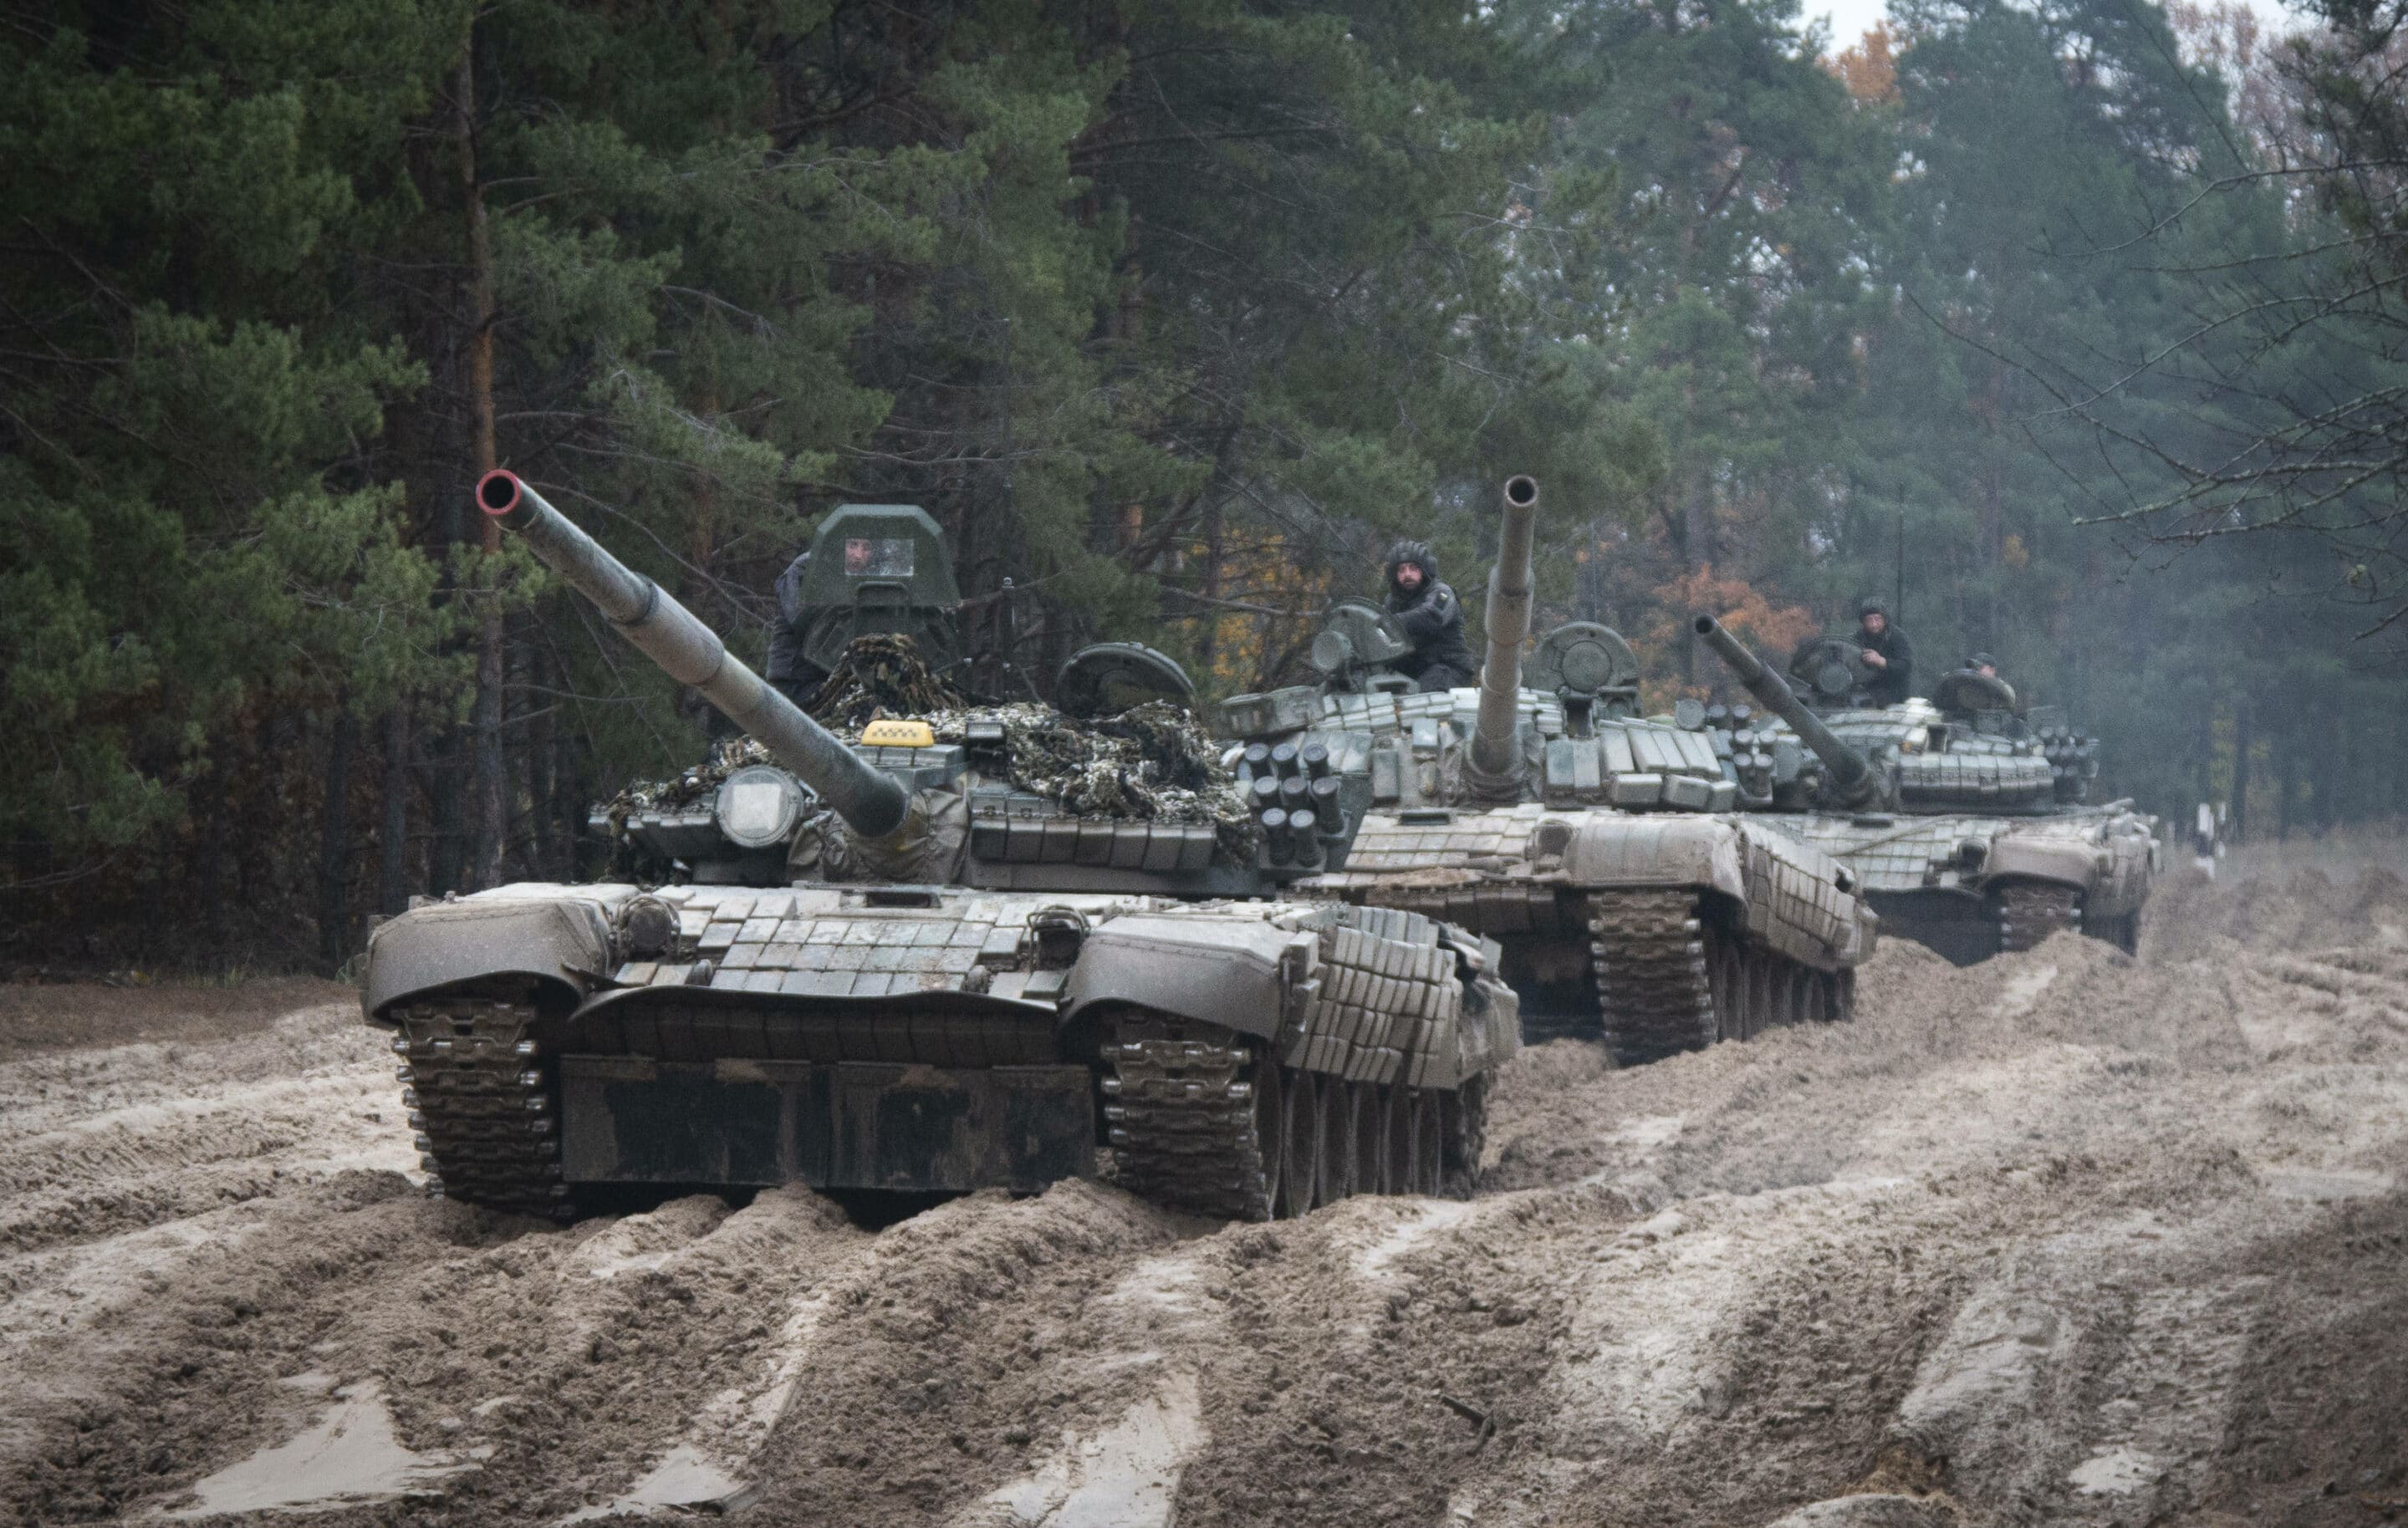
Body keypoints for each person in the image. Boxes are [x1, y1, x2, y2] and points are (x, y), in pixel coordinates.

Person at [1383, 539, 1476, 692]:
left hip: (1448, 668)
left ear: (1424, 570)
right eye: (1401, 570)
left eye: (1413, 568)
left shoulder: (1441, 593)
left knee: (1424, 693)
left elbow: (1432, 617)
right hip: (1412, 670)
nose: (1407, 574)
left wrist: (1390, 622)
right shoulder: (1393, 602)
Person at [765, 550, 828, 709]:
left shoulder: (872, 574)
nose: (859, 555)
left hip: (833, 680)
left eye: (866, 548)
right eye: (853, 545)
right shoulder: (808, 566)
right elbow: (804, 621)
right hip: (797, 680)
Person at [1854, 598, 1915, 706]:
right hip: (1866, 689)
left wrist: (1882, 661)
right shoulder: (1859, 638)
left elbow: (1906, 666)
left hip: (1894, 692)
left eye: (1877, 619)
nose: (1874, 624)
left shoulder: (1897, 637)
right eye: (1869, 620)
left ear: (1885, 620)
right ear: (1863, 622)